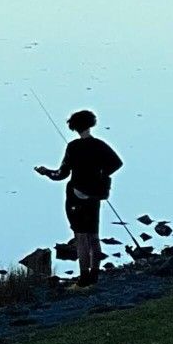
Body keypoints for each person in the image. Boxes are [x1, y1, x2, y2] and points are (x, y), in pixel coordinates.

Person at [35, 109, 122, 284]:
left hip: (76, 197)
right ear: (91, 124)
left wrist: (45, 172)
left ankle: (84, 278)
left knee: (81, 237)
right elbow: (116, 163)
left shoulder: (73, 147)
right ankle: (95, 275)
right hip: (95, 197)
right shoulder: (100, 145)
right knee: (94, 236)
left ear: (74, 127)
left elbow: (61, 174)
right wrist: (100, 177)